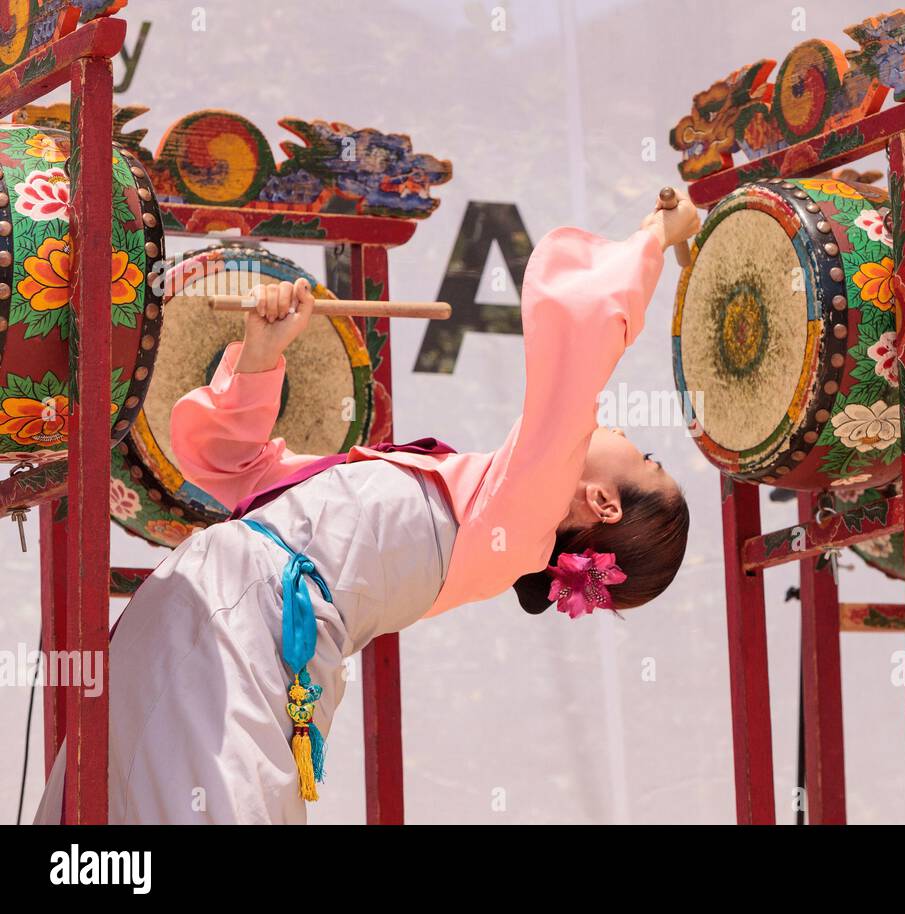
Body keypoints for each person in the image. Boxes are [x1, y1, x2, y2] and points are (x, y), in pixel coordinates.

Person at [32, 191, 697, 824]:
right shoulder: (468, 501)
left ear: (601, 502)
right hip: (208, 611)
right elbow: (243, 473)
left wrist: (653, 239)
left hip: (246, 631)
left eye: (648, 461)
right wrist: (263, 356)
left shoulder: (516, 522)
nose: (632, 441)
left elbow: (582, 348)